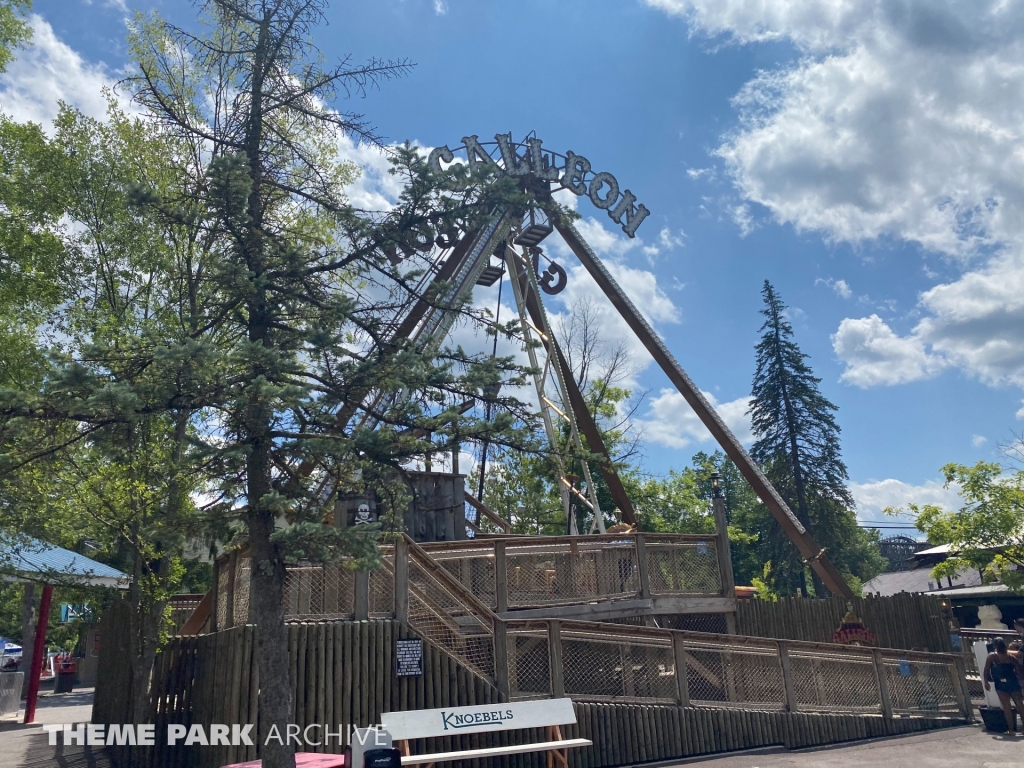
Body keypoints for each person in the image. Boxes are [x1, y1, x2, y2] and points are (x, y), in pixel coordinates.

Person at [984, 637, 1024, 734]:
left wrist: (986, 682)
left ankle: (1011, 729)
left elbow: (986, 670)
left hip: (1000, 684)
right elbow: (1019, 672)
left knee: (1006, 707)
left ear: (995, 646)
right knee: (1020, 705)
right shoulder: (1011, 658)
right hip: (1013, 682)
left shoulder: (992, 656)